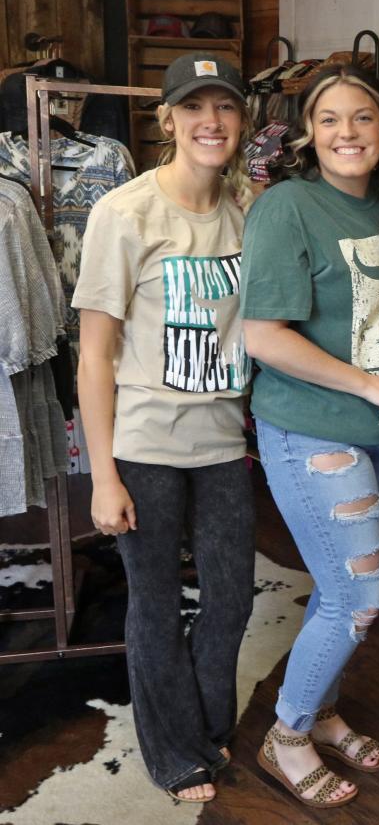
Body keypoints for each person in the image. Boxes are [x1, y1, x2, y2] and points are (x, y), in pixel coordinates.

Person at [73, 53, 255, 803]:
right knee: (154, 599)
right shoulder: (125, 212)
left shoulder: (250, 208)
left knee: (232, 596)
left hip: (222, 440)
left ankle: (207, 721)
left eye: (224, 108)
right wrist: (103, 474)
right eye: (194, 108)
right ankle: (175, 751)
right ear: (169, 120)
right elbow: (93, 352)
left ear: (242, 122)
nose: (210, 122)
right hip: (144, 441)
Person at [239, 63, 379, 808]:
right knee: (360, 594)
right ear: (309, 133)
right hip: (310, 426)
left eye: (364, 117)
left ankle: (322, 709)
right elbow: (263, 336)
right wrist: (370, 383)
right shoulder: (287, 206)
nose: (349, 132)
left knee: (342, 593)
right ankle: (285, 736)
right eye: (331, 119)